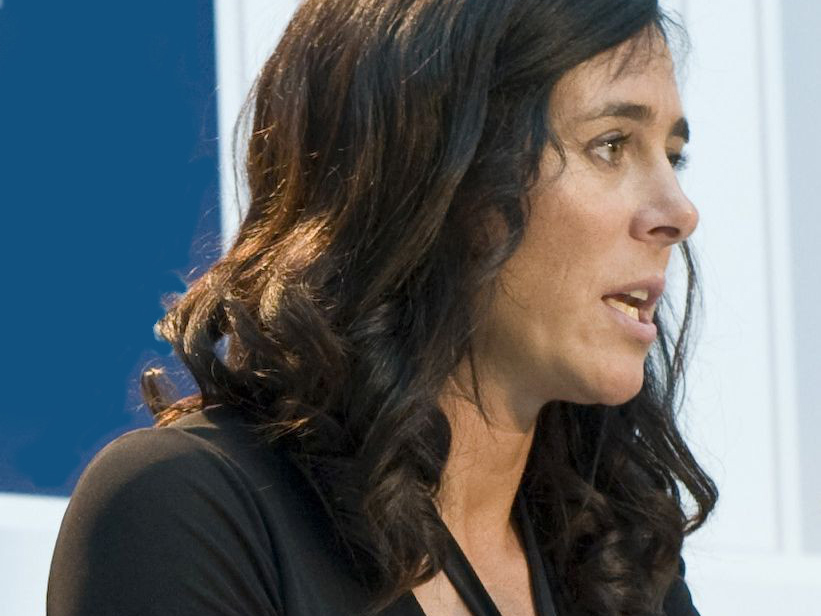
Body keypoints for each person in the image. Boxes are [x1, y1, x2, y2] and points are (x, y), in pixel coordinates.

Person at [46, 0, 718, 614]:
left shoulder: (616, 555)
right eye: (610, 145)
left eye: (673, 157)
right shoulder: (189, 509)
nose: (678, 213)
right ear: (434, 172)